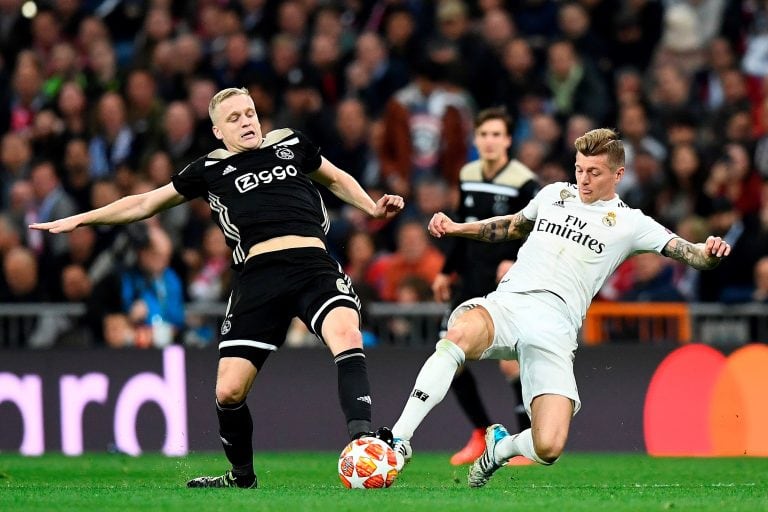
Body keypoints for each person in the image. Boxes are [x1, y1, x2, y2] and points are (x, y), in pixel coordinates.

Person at [30, 86, 405, 489]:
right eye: (235, 118)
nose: (246, 122)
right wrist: (81, 219)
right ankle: (241, 477)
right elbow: (143, 203)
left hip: (312, 264)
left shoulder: (291, 143)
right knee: (228, 391)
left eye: (250, 113)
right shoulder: (209, 169)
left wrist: (370, 206)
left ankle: (363, 442)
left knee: (346, 333)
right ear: (217, 132)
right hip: (257, 278)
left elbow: (334, 177)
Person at [389, 128, 731, 487]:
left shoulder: (632, 223)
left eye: (594, 172)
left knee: (548, 446)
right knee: (456, 336)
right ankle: (398, 440)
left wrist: (709, 252)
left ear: (618, 175)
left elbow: (689, 252)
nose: (583, 179)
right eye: (579, 169)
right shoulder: (553, 194)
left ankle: (501, 448)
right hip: (511, 301)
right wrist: (459, 228)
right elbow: (510, 226)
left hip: (555, 327)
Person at [430, 107, 540, 466]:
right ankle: (481, 432)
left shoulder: (524, 182)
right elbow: (464, 227)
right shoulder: (468, 174)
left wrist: (515, 259)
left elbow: (537, 229)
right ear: (476, 140)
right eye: (484, 135)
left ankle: (526, 441)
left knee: (510, 363)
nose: (490, 141)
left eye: (497, 134)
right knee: (450, 354)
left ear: (508, 140)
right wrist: (446, 271)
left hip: (505, 282)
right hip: (470, 279)